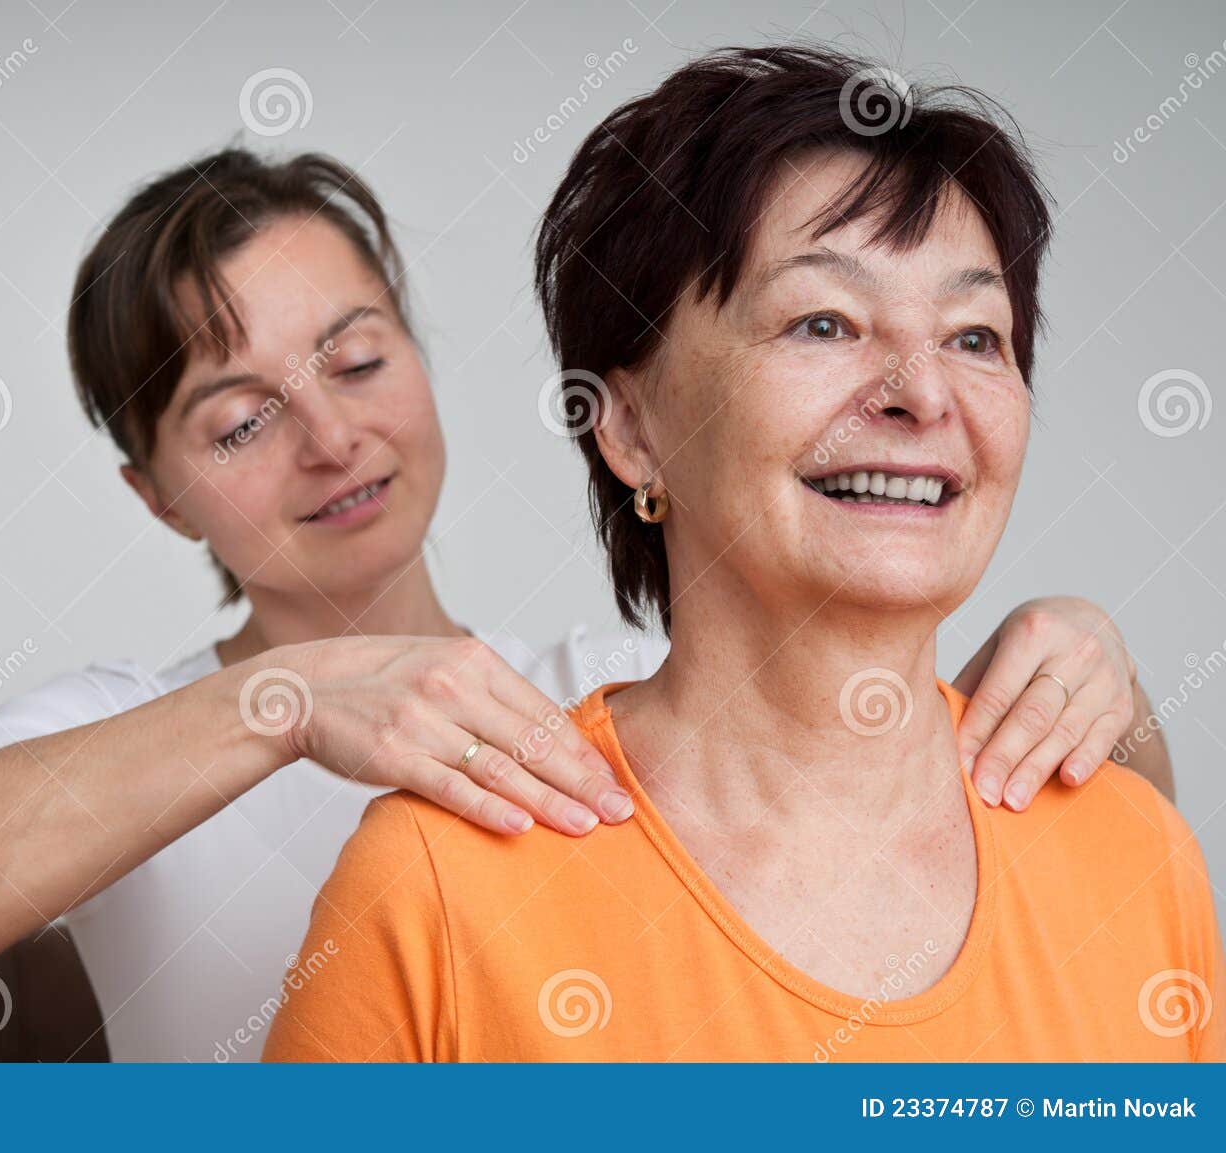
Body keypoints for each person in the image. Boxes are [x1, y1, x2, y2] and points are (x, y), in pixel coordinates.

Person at [0, 143, 1173, 1062]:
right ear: (156, 494)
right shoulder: (122, 722)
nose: (331, 436)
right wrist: (287, 703)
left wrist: (1101, 674)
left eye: (357, 360)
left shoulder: (612, 682)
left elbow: (1108, 854)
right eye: (240, 421)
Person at [263, 45, 1221, 1062]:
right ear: (628, 426)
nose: (923, 394)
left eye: (975, 336)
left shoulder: (1135, 855)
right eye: (823, 322)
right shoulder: (435, 884)